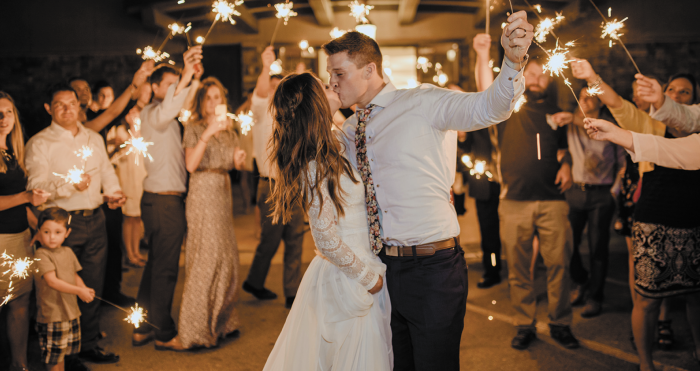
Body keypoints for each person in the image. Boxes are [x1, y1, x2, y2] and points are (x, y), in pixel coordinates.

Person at [323, 11, 533, 369]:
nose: (332, 82)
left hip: (434, 267)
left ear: (369, 70)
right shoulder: (348, 130)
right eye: (330, 75)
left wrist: (512, 63)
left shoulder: (424, 102)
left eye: (339, 73)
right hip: (382, 269)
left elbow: (490, 107)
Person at [571, 61, 700, 364]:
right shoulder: (649, 122)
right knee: (647, 297)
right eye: (672, 90)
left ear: (694, 100)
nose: (677, 95)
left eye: (685, 92)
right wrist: (592, 77)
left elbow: (682, 147)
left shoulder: (696, 131)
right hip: (654, 217)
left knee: (696, 295)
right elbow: (616, 104)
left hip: (694, 219)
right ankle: (645, 361)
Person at [263, 72, 391, 371]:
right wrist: (369, 280)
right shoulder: (317, 158)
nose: (331, 84)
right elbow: (326, 238)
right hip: (350, 274)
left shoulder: (332, 138)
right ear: (314, 101)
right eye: (323, 85)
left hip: (365, 261)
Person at [26, 82, 126, 368]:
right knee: (61, 288)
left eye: (72, 103)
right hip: (60, 224)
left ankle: (87, 344)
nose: (68, 109)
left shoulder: (93, 138)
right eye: (60, 104)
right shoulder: (40, 143)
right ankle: (62, 352)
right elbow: (36, 187)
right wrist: (69, 184)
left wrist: (114, 192)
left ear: (80, 106)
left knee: (92, 285)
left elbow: (106, 169)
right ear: (49, 108)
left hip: (95, 218)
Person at [495, 57, 578, 350]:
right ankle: (524, 324)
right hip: (514, 201)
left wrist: (566, 163)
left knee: (559, 265)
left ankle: (560, 323)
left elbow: (564, 150)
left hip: (553, 200)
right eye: (530, 73)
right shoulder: (506, 108)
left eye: (542, 76)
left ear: (549, 81)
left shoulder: (559, 113)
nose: (536, 79)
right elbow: (485, 87)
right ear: (521, 77)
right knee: (519, 269)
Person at [131, 46, 203, 351]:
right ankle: (163, 333)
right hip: (163, 202)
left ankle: (142, 328)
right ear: (155, 88)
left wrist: (194, 80)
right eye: (170, 85)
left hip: (158, 200)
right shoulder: (155, 114)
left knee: (155, 265)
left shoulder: (162, 115)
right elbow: (172, 107)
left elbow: (179, 103)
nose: (176, 91)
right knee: (166, 268)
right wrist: (187, 74)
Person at [172, 76, 246, 349]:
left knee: (226, 257)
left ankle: (221, 322)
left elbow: (235, 161)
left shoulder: (230, 130)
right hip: (202, 191)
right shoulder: (194, 127)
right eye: (210, 98)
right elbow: (191, 164)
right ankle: (193, 330)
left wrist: (237, 160)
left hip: (223, 191)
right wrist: (209, 132)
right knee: (206, 258)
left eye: (219, 97)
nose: (215, 102)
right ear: (201, 102)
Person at [553, 88, 625, 318]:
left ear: (600, 100)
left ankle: (596, 297)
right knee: (568, 243)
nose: (585, 98)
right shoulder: (570, 120)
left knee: (598, 248)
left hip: (602, 194)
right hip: (575, 191)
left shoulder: (610, 125)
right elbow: (554, 134)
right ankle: (581, 280)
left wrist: (614, 191)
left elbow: (623, 163)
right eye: (582, 94)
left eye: (591, 95)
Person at [243, 46, 304, 309]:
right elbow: (258, 94)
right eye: (273, 88)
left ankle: (292, 292)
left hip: (295, 185)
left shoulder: (291, 117)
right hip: (270, 186)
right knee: (269, 240)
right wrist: (266, 66)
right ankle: (254, 282)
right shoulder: (260, 113)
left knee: (295, 239)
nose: (277, 93)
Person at [0, 91, 51, 371]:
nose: (2, 118)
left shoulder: (13, 152)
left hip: (20, 238)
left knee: (20, 303)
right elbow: (21, 198)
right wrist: (26, 197)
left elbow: (22, 203)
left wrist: (38, 229)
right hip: (0, 241)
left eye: (7, 112)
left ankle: (19, 365)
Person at [462, 32, 505, 289]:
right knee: (488, 230)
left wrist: (482, 55)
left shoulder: (504, 112)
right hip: (484, 183)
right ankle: (492, 270)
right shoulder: (473, 116)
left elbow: (486, 88)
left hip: (510, 179)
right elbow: (464, 148)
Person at [34, 207, 96, 371]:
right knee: (54, 357)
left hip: (70, 312)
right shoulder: (41, 254)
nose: (52, 237)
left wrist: (83, 288)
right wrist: (78, 291)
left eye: (57, 232)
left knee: (63, 353)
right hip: (53, 315)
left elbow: (74, 275)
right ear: (39, 232)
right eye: (46, 232)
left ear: (67, 233)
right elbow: (52, 281)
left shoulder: (68, 251)